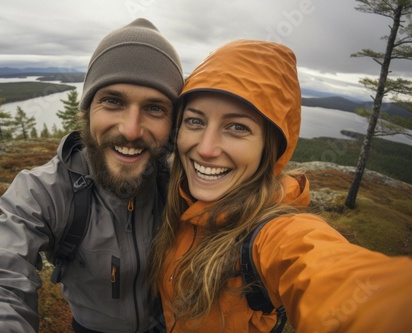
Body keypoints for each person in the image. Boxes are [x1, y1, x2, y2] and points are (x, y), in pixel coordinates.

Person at [0, 18, 184, 333]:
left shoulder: (183, 184)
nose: (131, 130)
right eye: (112, 101)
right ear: (87, 109)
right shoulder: (42, 192)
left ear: (173, 125)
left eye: (155, 108)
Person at [149, 39, 412, 333]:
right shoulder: (170, 197)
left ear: (269, 147)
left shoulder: (274, 235)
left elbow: (335, 278)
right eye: (195, 121)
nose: (207, 149)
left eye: (237, 127)